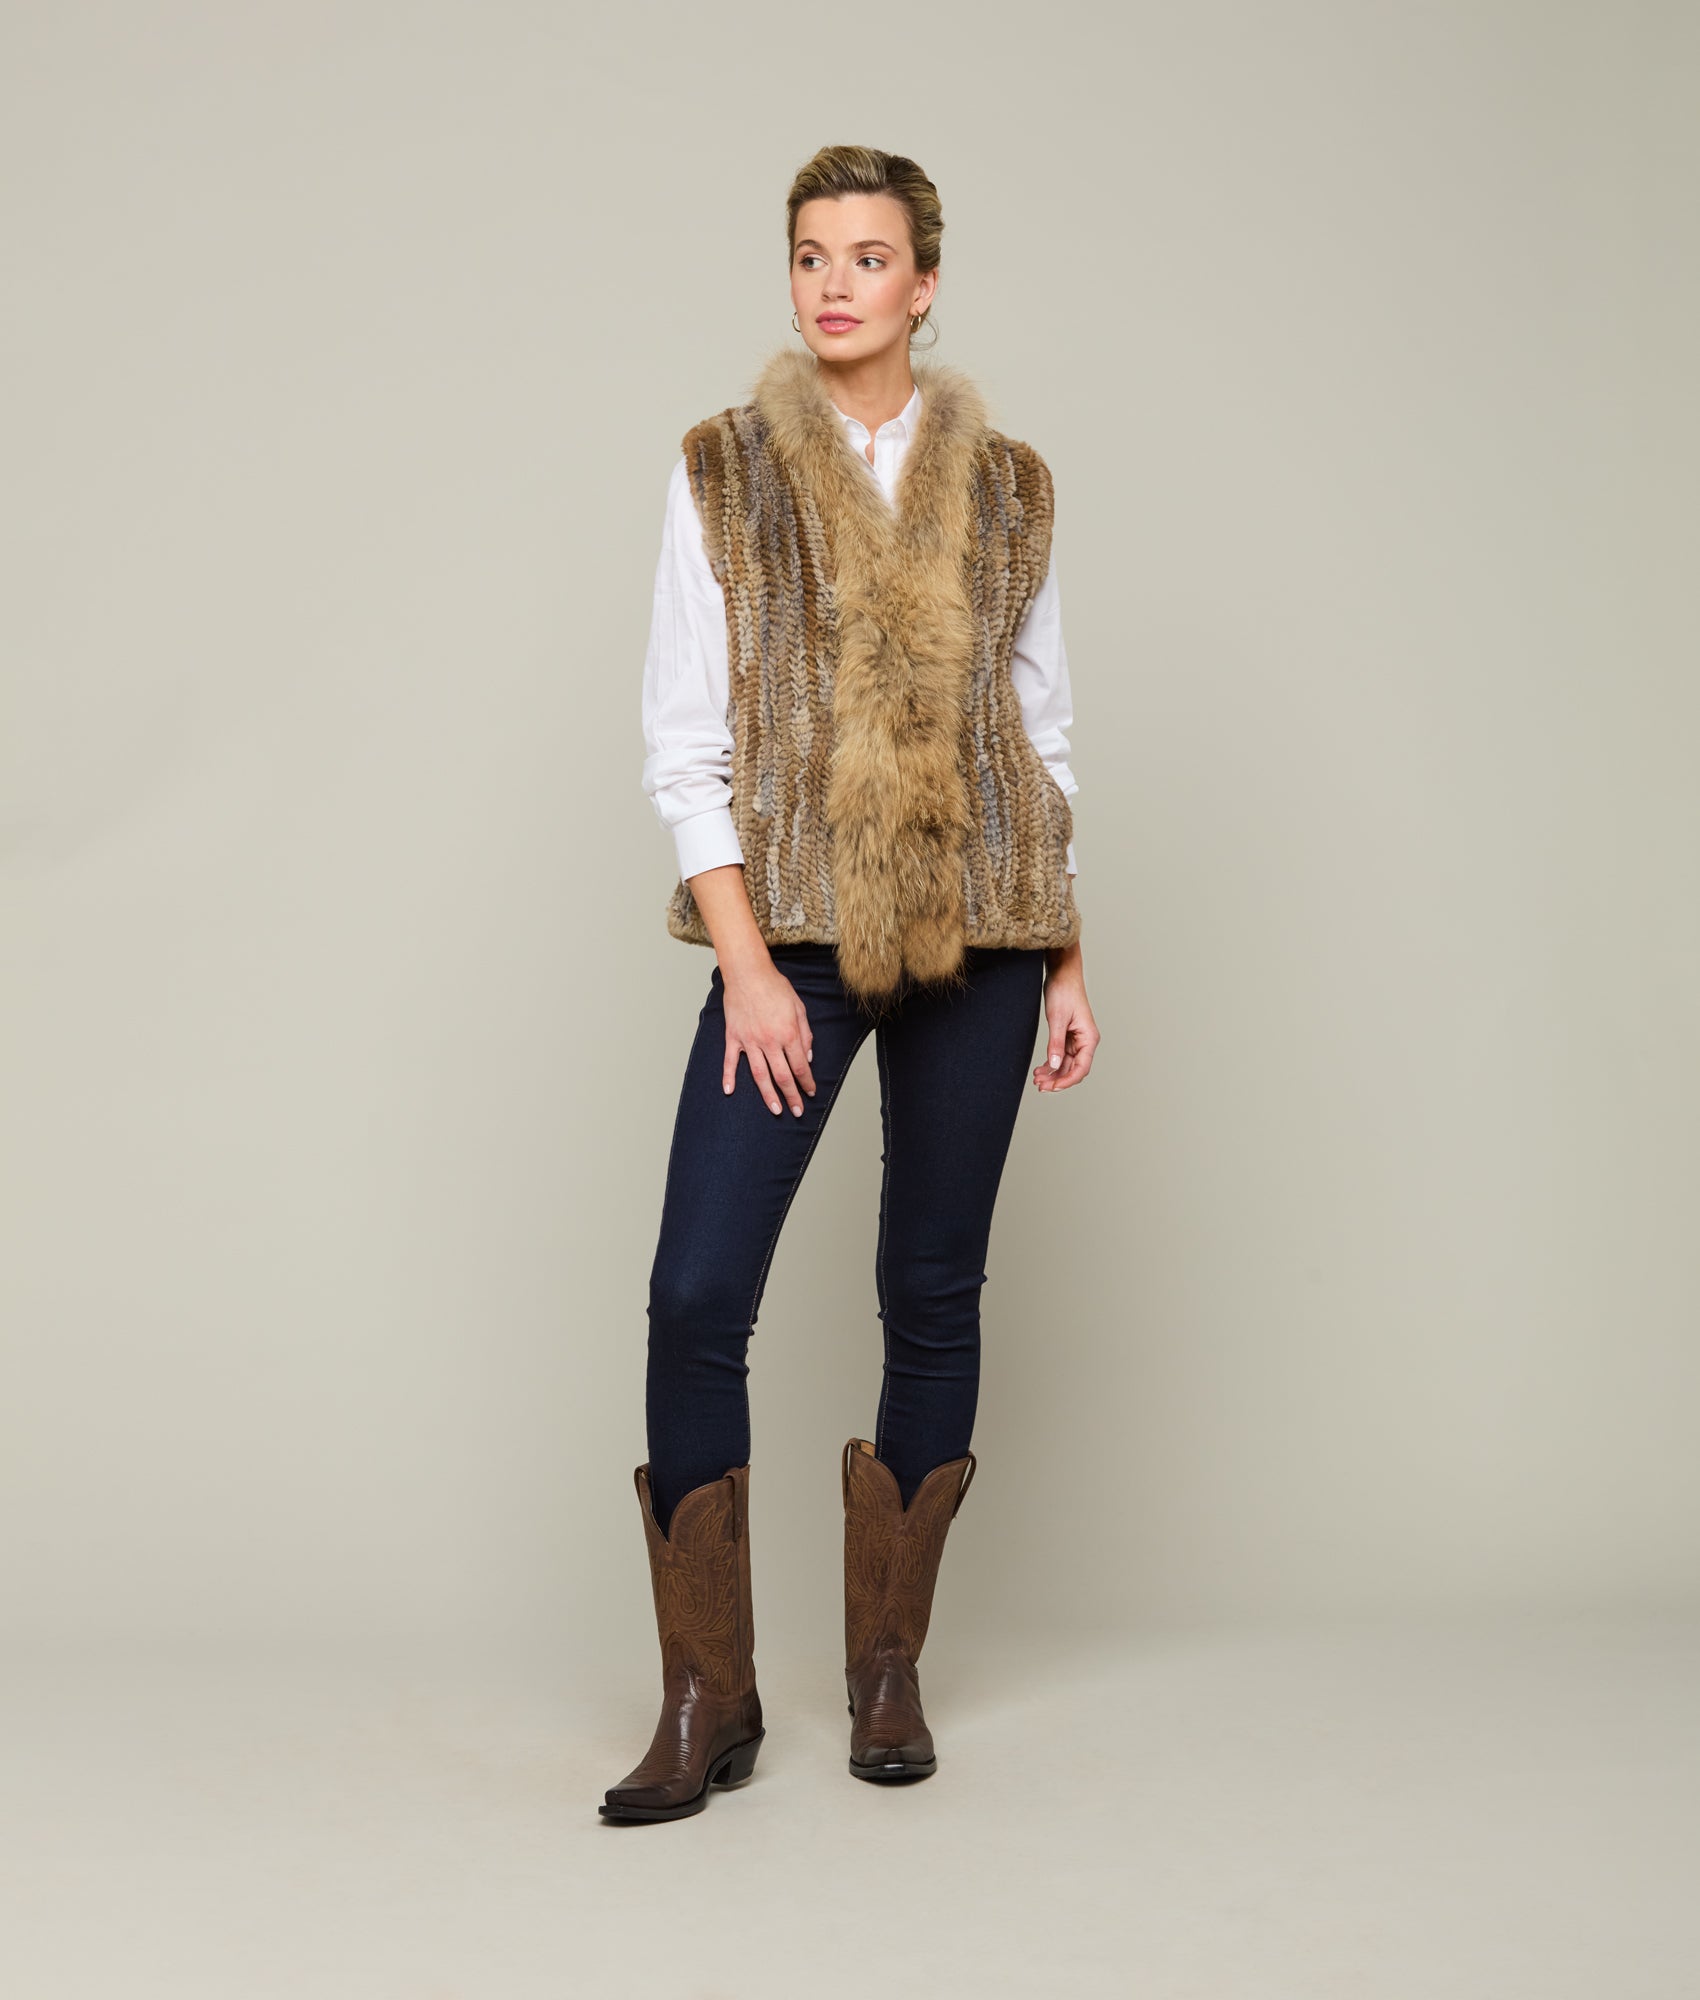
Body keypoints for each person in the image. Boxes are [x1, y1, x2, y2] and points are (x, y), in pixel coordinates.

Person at [600, 144, 1101, 1825]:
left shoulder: (1014, 486)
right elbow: (683, 740)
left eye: (868, 257)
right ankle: (709, 1695)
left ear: (923, 283)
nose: (835, 283)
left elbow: (1039, 734)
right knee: (696, 1294)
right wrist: (748, 966)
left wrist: (1069, 946)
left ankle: (887, 1668)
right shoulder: (722, 468)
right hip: (795, 941)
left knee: (933, 1289)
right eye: (812, 254)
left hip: (989, 933)